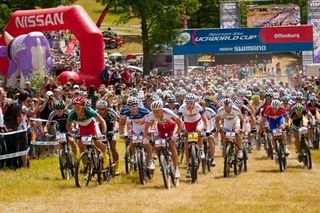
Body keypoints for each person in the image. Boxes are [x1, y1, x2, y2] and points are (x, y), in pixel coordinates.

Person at [66, 96, 109, 170]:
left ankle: (105, 155)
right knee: (81, 147)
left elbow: (102, 121)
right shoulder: (72, 114)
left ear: (83, 106)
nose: (76, 108)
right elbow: (68, 126)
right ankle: (88, 167)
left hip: (92, 126)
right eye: (75, 106)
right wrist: (73, 133)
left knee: (97, 142)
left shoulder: (89, 111)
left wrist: (104, 133)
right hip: (82, 128)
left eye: (78, 106)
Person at [144, 100, 183, 178]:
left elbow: (180, 124)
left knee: (172, 145)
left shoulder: (169, 113)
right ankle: (162, 162)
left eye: (157, 111)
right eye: (154, 111)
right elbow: (146, 128)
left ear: (162, 109)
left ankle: (176, 169)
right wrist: (146, 136)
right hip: (161, 127)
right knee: (156, 142)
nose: (156, 113)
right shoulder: (151, 115)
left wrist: (177, 134)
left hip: (172, 126)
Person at [118, 96, 155, 170]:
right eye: (130, 107)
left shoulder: (144, 111)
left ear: (138, 106)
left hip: (145, 125)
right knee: (132, 142)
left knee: (147, 142)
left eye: (134, 107)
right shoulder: (125, 111)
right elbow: (122, 123)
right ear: (128, 107)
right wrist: (122, 133)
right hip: (136, 126)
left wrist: (151, 129)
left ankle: (150, 161)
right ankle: (134, 156)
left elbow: (152, 120)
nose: (133, 109)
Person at [178, 93, 208, 178]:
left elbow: (204, 119)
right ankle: (188, 166)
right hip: (187, 123)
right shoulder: (182, 108)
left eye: (191, 103)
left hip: (197, 121)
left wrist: (205, 129)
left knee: (198, 131)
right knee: (186, 145)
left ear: (194, 102)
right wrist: (180, 131)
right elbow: (179, 121)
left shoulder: (198, 107)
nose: (189, 105)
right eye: (187, 103)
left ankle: (201, 148)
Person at [96, 100, 121, 175]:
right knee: (98, 148)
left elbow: (118, 120)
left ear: (106, 108)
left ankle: (116, 167)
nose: (101, 111)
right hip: (100, 131)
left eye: (103, 109)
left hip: (110, 130)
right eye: (99, 109)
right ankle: (99, 162)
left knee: (113, 148)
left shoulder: (111, 111)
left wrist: (115, 129)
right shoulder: (95, 112)